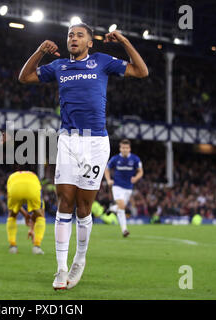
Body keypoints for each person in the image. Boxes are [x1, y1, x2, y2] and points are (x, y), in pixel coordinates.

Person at [18, 23, 148, 290]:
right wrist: (40, 50)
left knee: (84, 206)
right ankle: (61, 268)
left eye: (79, 35)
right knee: (64, 201)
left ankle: (79, 258)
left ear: (90, 42)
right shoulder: (59, 67)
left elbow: (141, 71)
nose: (73, 38)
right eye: (70, 35)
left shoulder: (101, 61)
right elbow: (25, 77)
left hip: (96, 143)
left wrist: (123, 40)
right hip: (67, 140)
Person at [104, 139, 143, 237]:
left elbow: (140, 171)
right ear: (120, 148)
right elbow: (107, 169)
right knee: (121, 205)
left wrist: (136, 178)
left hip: (128, 188)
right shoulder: (115, 159)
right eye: (123, 148)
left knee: (121, 207)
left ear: (129, 149)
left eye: (126, 148)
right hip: (117, 186)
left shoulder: (135, 159)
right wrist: (108, 180)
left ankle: (112, 208)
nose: (124, 150)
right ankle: (124, 230)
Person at [6, 171, 46, 255]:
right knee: (40, 215)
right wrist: (32, 227)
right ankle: (37, 247)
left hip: (15, 187)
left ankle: (12, 246)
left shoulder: (12, 176)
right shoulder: (35, 179)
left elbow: (15, 206)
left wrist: (25, 215)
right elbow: (37, 212)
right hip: (32, 188)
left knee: (12, 214)